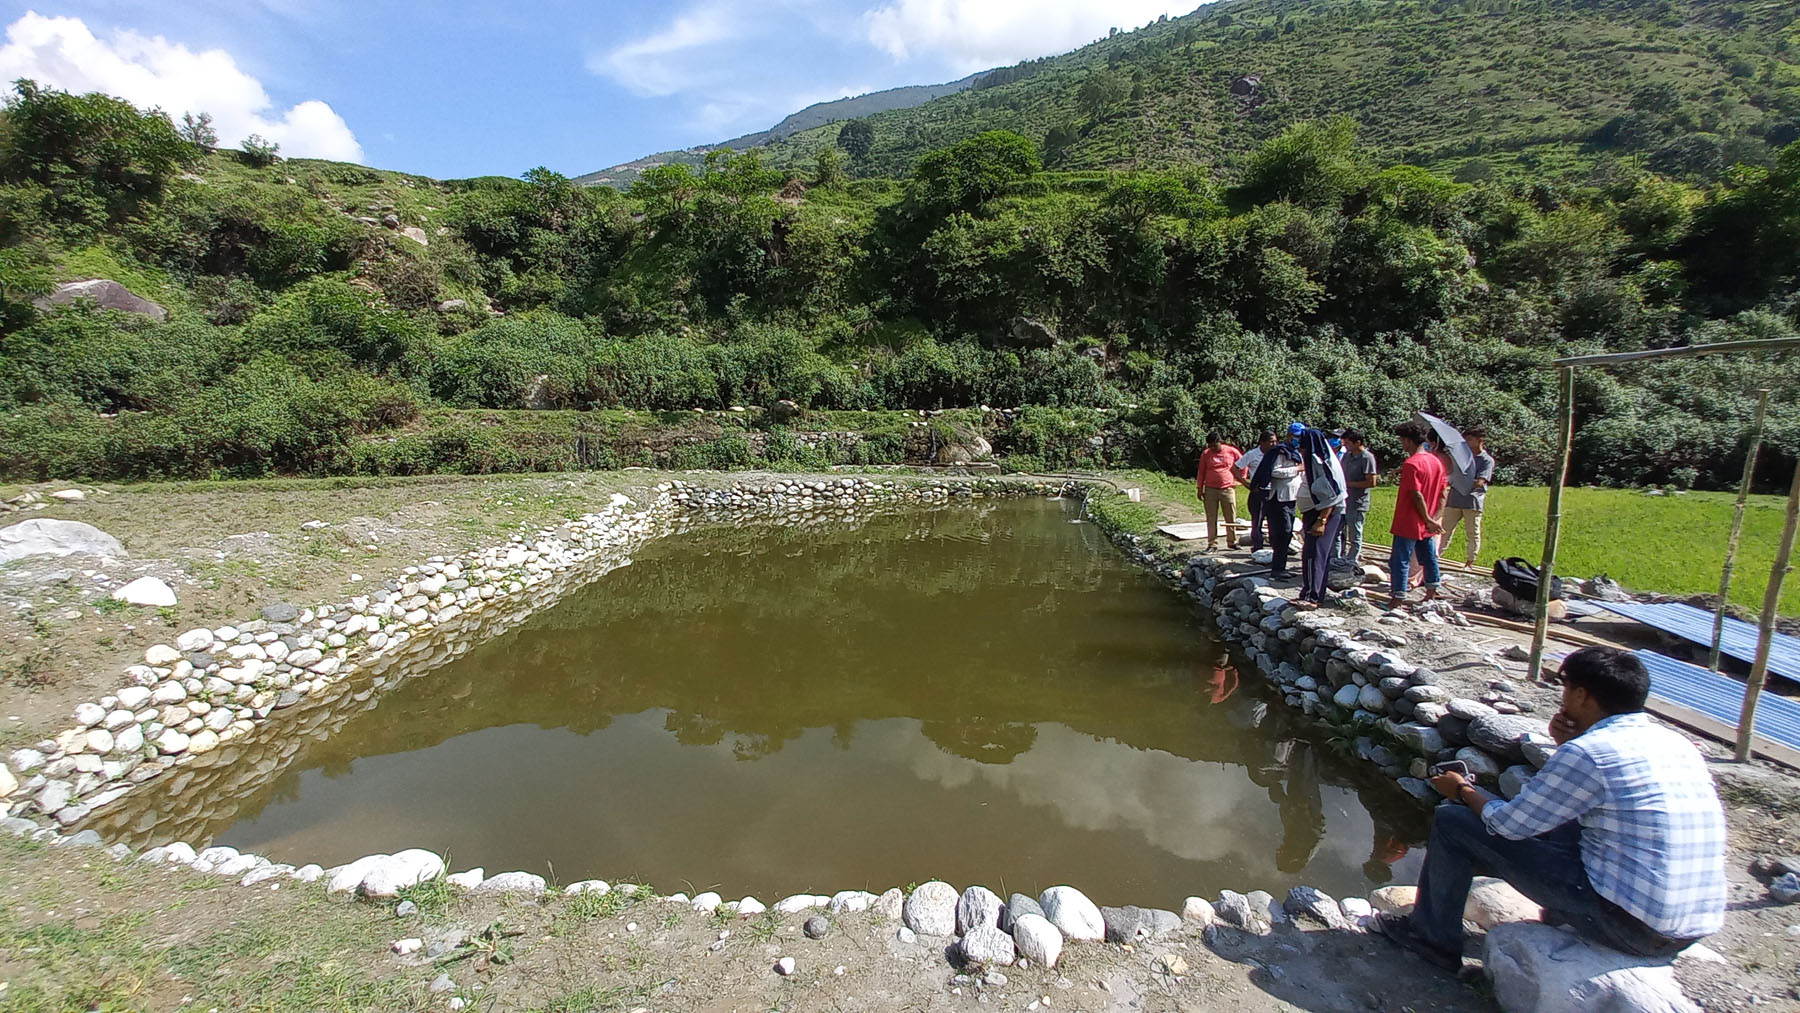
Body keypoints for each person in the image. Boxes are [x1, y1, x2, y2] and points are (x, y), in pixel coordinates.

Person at [1371, 647, 1727, 970]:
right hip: (1687, 929)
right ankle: (1557, 915)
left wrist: (1463, 789)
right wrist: (1568, 746)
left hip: (1629, 927)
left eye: (1567, 688)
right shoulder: (1676, 743)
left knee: (1453, 821)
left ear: (1582, 695)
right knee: (1573, 825)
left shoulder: (1588, 753)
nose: (1563, 698)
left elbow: (1509, 825)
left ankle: (1431, 939)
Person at [1388, 421, 1446, 607]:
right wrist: (1434, 518)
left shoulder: (1411, 464)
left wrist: (1427, 518)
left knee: (1400, 559)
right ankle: (1432, 590)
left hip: (1409, 520)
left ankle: (1398, 597)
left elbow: (1416, 494)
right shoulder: (1436, 461)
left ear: (1408, 440)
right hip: (1428, 522)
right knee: (1428, 556)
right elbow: (1444, 491)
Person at [1293, 427, 1346, 606]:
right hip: (1316, 512)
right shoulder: (1322, 458)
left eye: (1301, 445)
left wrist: (1321, 521)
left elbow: (1331, 495)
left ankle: (1313, 596)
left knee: (1315, 553)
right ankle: (1310, 592)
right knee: (1312, 553)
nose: (1299, 449)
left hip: (1324, 514)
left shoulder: (1319, 462)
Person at [1249, 423, 1305, 578]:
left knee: (1286, 534)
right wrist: (1297, 469)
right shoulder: (1280, 451)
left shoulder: (1295, 452)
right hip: (1279, 497)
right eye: (1296, 437)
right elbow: (1274, 471)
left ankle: (1280, 567)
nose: (1298, 440)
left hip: (1292, 497)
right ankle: (1278, 568)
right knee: (1283, 532)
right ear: (1289, 436)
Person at [1441, 424, 1495, 567]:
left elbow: (1480, 482)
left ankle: (1470, 561)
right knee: (1444, 530)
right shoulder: (1462, 457)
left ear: (1480, 440)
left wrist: (1460, 481)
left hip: (1472, 501)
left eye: (1470, 440)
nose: (1467, 443)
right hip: (1454, 499)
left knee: (1473, 532)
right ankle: (1435, 557)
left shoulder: (1486, 460)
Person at [1336, 429, 1378, 564]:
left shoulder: (1367, 458)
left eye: (1348, 443)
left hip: (1357, 501)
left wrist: (1348, 484)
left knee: (1355, 533)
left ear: (1357, 442)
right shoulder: (1347, 456)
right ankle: (1335, 558)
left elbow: (1372, 482)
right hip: (1343, 500)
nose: (1345, 446)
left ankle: (1352, 559)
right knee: (1337, 531)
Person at [1196, 432, 1243, 551]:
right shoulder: (1206, 454)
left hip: (1227, 489)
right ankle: (1212, 544)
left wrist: (1240, 480)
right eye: (1210, 446)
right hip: (1210, 489)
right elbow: (1201, 471)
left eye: (1214, 446)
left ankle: (1232, 541)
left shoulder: (1231, 451)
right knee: (1211, 517)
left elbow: (1243, 464)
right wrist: (1200, 488)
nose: (1213, 448)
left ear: (1220, 442)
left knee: (1231, 515)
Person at [1233, 430, 1278, 552]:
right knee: (1257, 520)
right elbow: (1235, 467)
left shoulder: (1277, 454)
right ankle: (1258, 547)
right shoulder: (1252, 454)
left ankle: (1275, 546)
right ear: (1262, 442)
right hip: (1259, 492)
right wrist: (1245, 483)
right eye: (1271, 442)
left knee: (1274, 521)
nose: (1274, 444)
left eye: (1275, 441)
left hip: (1274, 491)